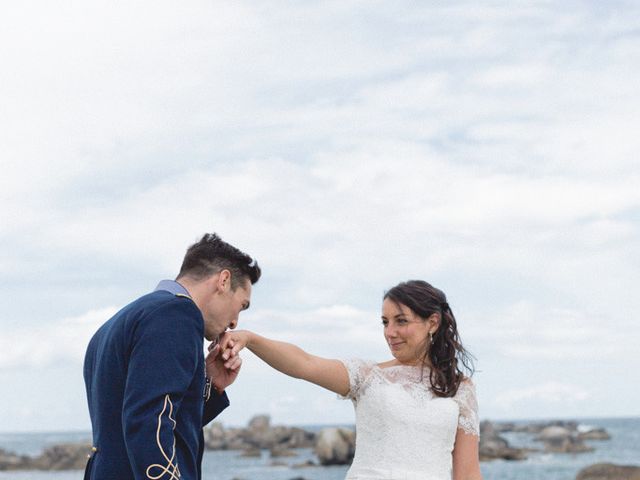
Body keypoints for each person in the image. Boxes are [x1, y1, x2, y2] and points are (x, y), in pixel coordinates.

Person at [219, 280, 482, 480]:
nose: (390, 332)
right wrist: (251, 340)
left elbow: (468, 473)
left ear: (432, 323)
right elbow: (304, 364)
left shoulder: (461, 389)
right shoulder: (367, 376)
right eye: (384, 322)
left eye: (401, 321)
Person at [83, 233, 261, 480]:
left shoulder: (114, 324)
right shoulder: (177, 314)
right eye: (241, 305)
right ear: (223, 280)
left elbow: (157, 419)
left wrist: (211, 386)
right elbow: (149, 422)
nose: (234, 322)